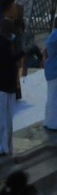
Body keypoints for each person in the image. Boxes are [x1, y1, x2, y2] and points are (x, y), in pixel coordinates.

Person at [0, 17, 19, 157]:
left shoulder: (7, 44)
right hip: (4, 88)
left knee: (6, 120)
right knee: (4, 120)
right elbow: (8, 63)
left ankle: (5, 147)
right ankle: (3, 148)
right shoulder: (3, 45)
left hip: (8, 88)